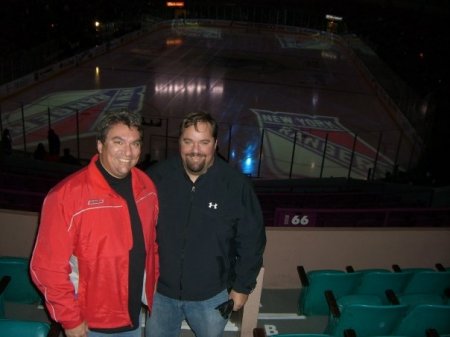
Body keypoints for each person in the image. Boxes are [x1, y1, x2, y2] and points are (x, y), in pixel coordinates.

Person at [30, 110, 159, 337]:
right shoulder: (65, 196)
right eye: (118, 142)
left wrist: (152, 289)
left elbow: (151, 245)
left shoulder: (146, 187)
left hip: (134, 317)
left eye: (135, 144)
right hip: (90, 325)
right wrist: (70, 320)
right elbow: (46, 268)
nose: (128, 152)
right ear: (100, 145)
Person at [145, 111, 266, 337]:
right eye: (188, 141)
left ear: (215, 144)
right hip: (160, 293)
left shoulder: (235, 185)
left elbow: (253, 240)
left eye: (204, 142)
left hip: (211, 296)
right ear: (179, 142)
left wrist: (242, 287)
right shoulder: (156, 178)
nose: (195, 150)